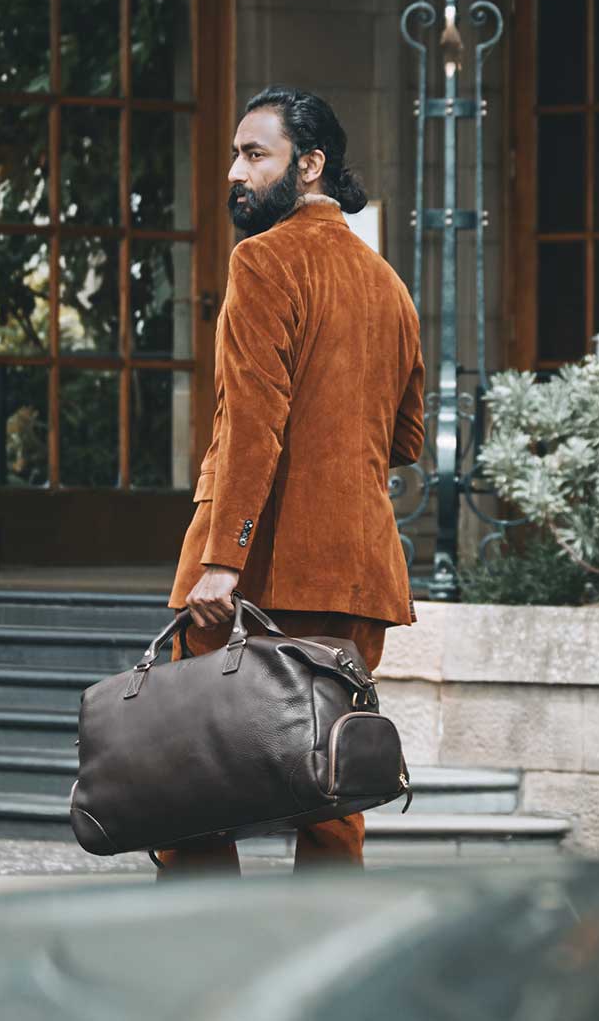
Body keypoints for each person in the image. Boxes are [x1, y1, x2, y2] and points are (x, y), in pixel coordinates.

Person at [159, 86, 425, 877]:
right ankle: (326, 957)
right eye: (236, 155)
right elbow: (405, 438)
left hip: (256, 570)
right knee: (330, 781)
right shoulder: (390, 286)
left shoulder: (263, 260)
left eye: (255, 154)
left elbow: (251, 423)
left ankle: (202, 951)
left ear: (310, 165)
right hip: (356, 571)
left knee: (189, 763)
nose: (236, 173)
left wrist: (223, 555)